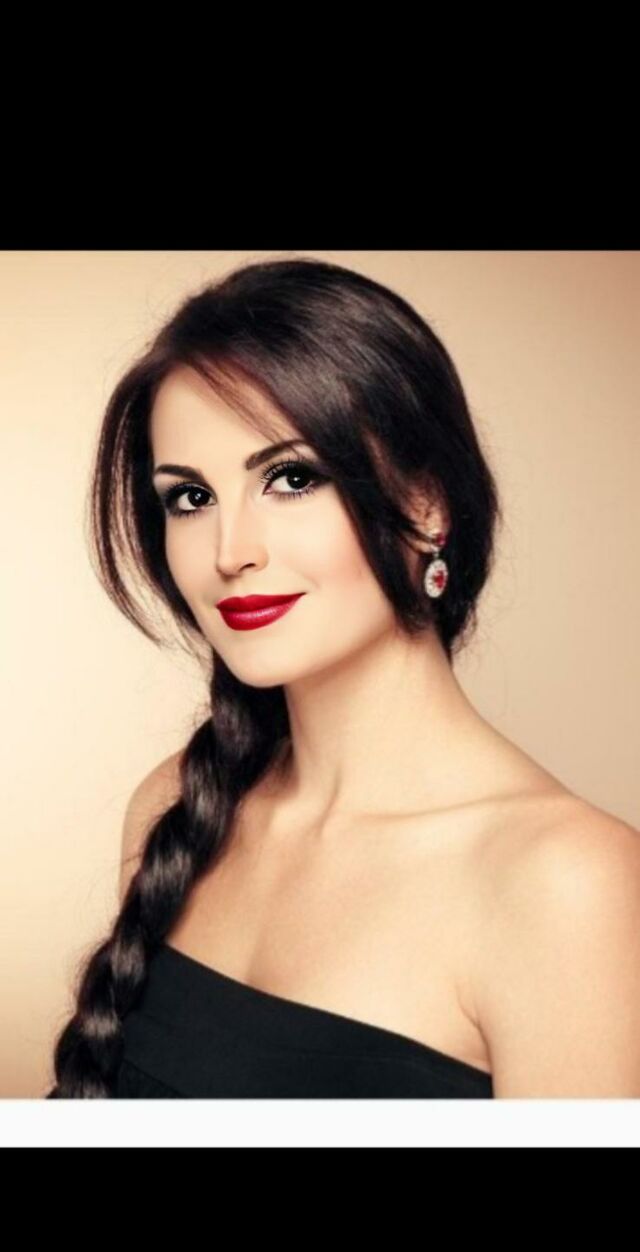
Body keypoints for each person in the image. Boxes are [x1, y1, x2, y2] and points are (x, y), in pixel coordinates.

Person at [46, 255, 640, 1099]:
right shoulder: (176, 807)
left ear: (426, 503)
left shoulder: (569, 885)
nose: (230, 552)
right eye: (190, 498)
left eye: (292, 479)